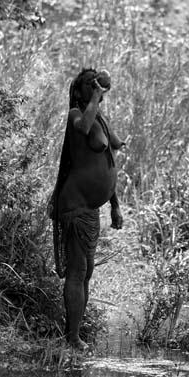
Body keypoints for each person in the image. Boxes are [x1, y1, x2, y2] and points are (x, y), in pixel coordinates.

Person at [49, 68, 125, 350]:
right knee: (78, 271)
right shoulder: (76, 116)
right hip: (75, 205)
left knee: (87, 270)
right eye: (88, 86)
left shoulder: (98, 119)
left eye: (97, 86)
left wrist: (115, 205)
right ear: (80, 92)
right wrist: (95, 95)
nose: (96, 90)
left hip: (90, 209)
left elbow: (108, 159)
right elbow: (82, 127)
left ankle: (75, 332)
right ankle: (72, 339)